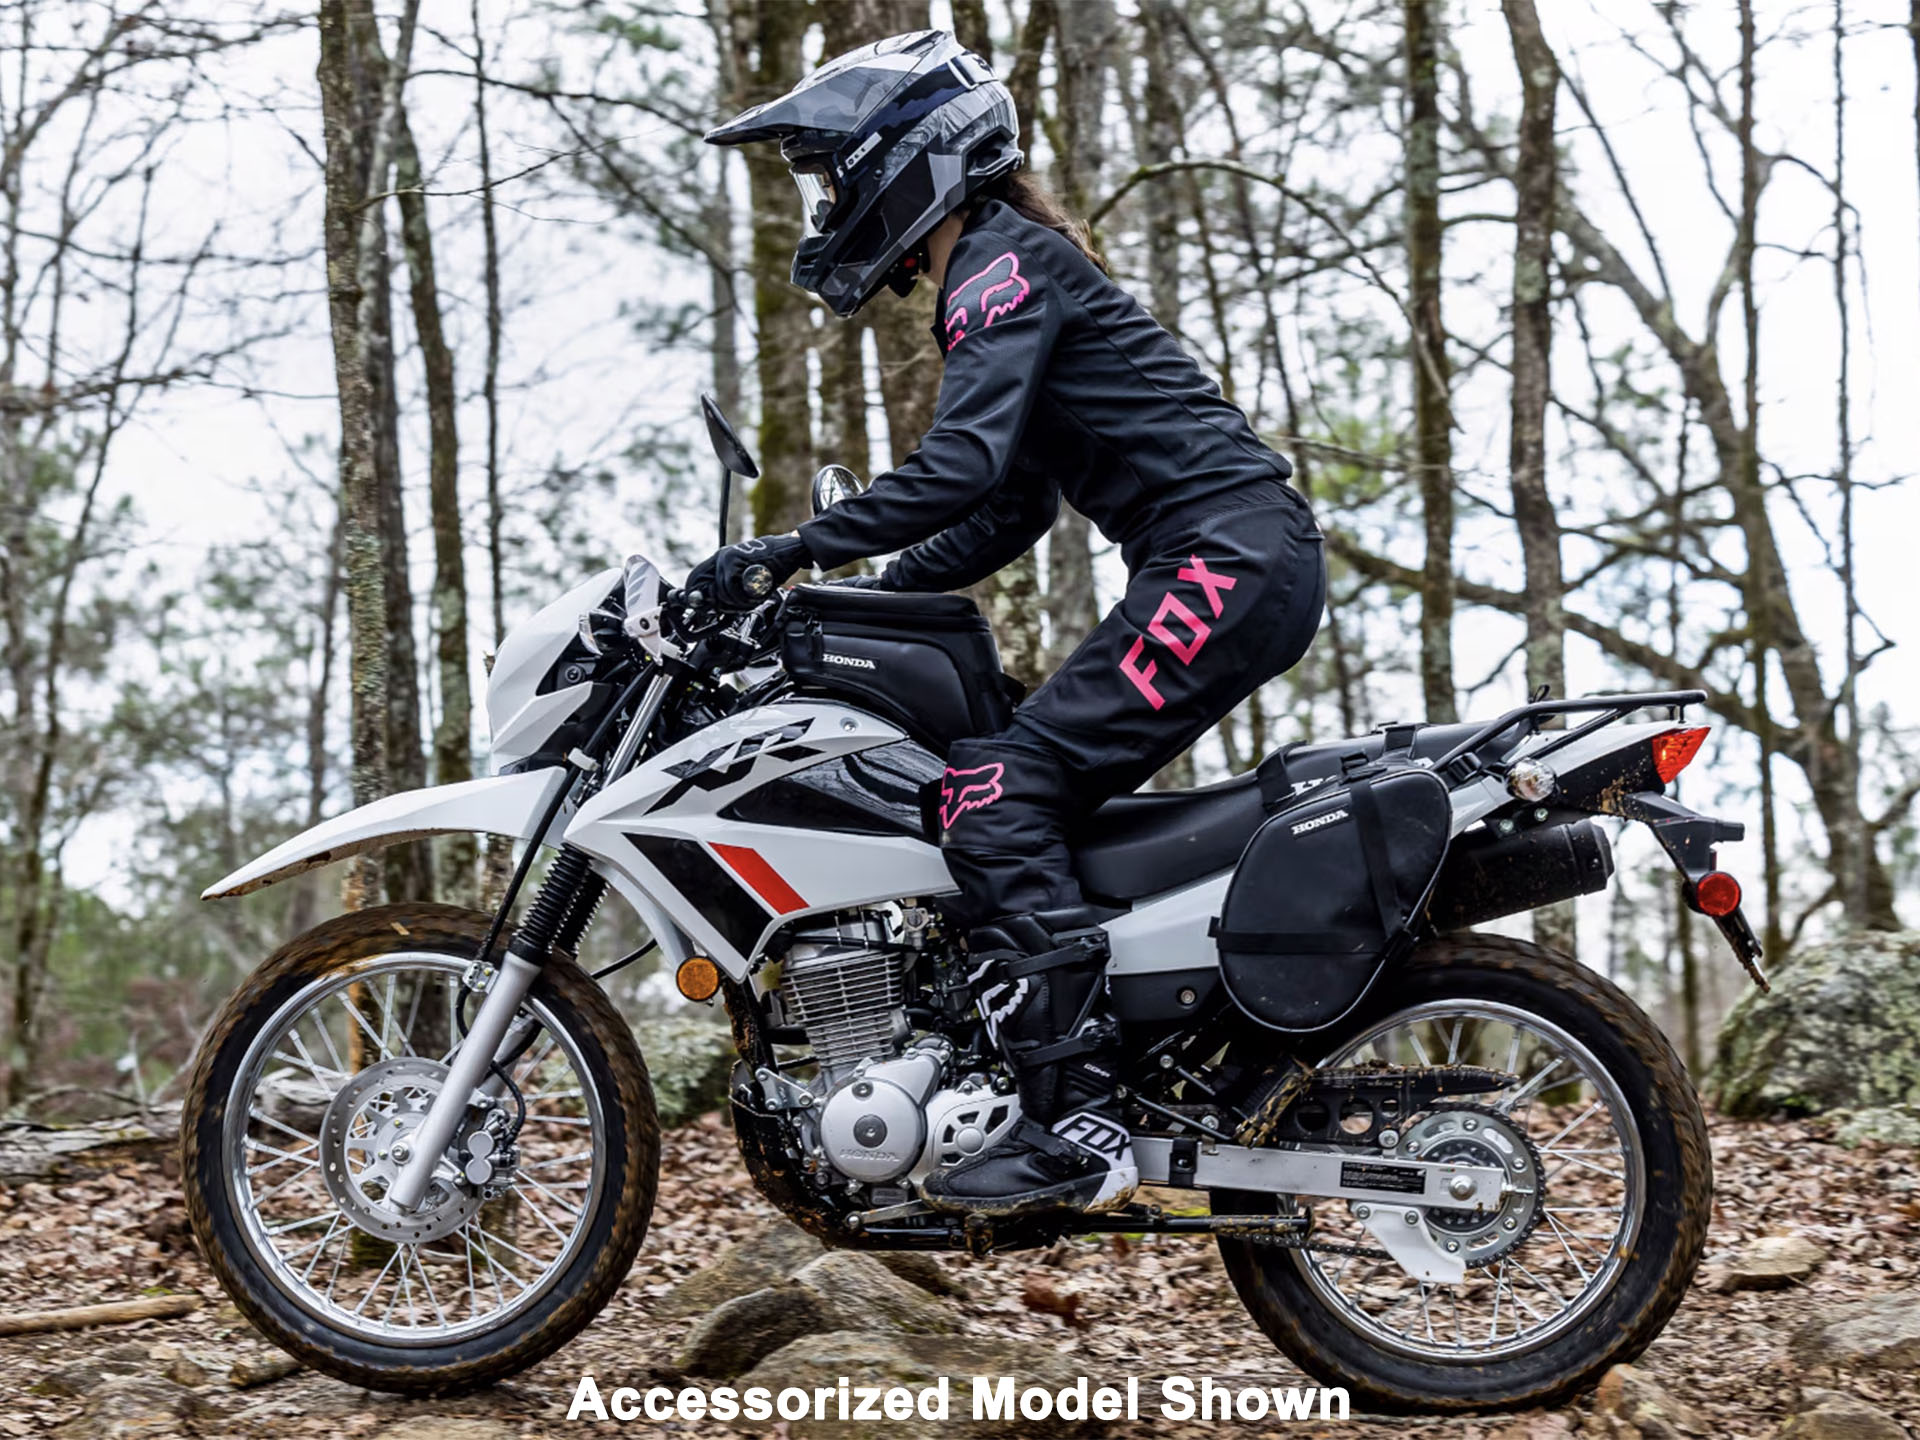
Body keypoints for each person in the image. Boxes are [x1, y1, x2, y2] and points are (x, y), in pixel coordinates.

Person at [698, 30, 1327, 1220]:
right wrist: (871, 594)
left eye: (840, 174)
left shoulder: (999, 267)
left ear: (909, 157)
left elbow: (957, 466)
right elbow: (1011, 504)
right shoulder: (1003, 269)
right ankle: (1109, 1051)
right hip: (1234, 557)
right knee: (1008, 788)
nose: (834, 204)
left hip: (1227, 558)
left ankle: (1079, 1119)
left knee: (991, 795)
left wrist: (789, 552)